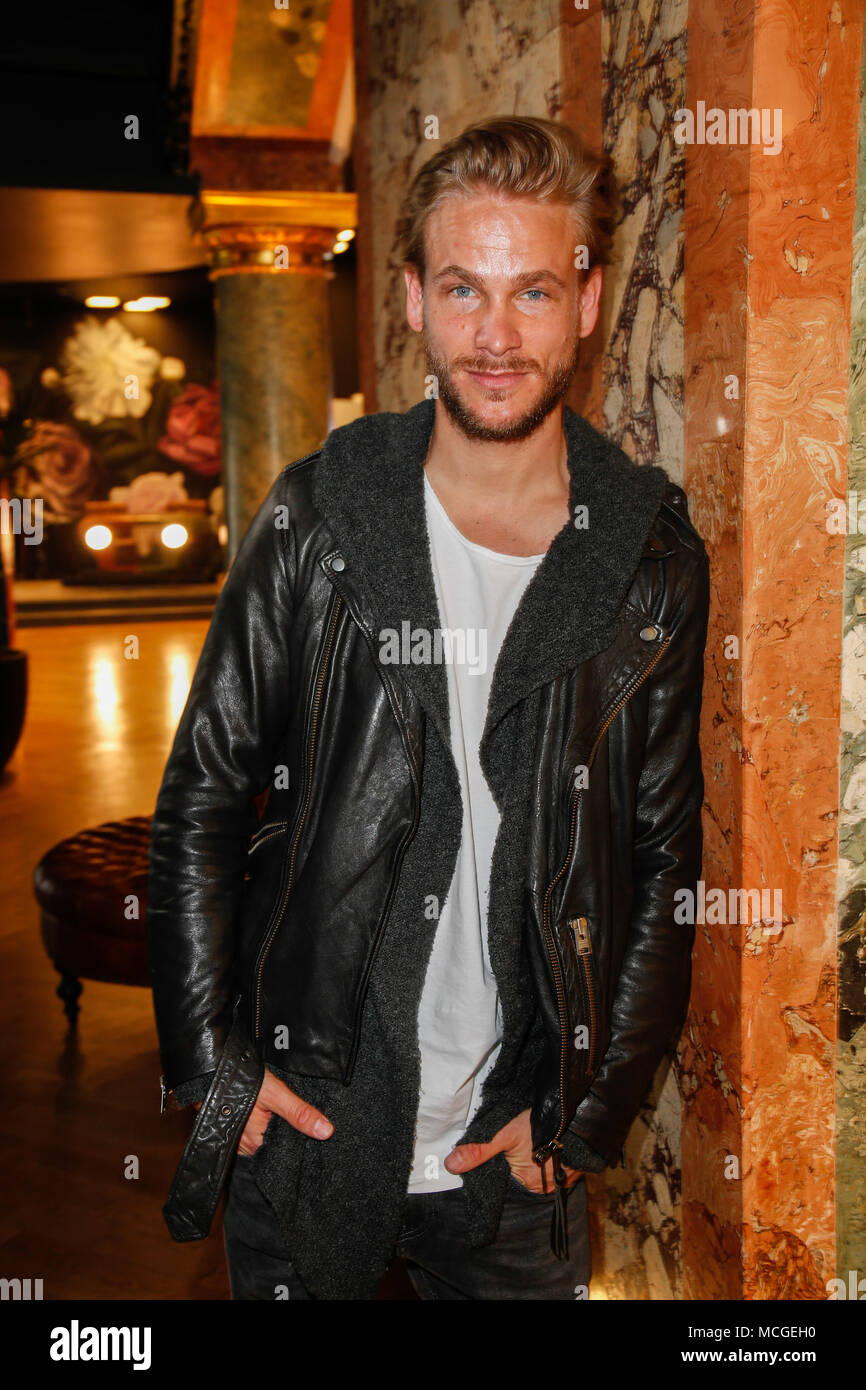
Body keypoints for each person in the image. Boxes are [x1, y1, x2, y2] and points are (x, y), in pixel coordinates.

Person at [147, 115, 710, 1301]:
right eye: (462, 289)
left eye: (532, 292)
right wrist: (212, 1058)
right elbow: (202, 793)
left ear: (589, 302)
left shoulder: (646, 556)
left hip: (515, 1153)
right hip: (308, 1122)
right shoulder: (318, 518)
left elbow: (661, 859)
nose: (495, 337)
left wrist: (588, 1109)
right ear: (409, 298)